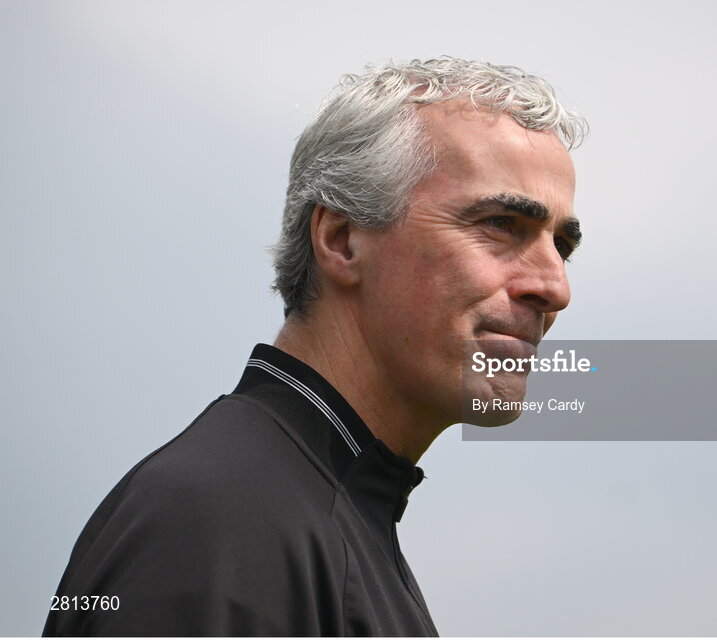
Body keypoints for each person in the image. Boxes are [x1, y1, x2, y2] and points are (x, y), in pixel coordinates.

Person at [43, 57, 587, 636]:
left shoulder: (315, 517)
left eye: (562, 246)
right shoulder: (224, 521)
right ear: (342, 239)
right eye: (501, 224)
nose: (555, 288)